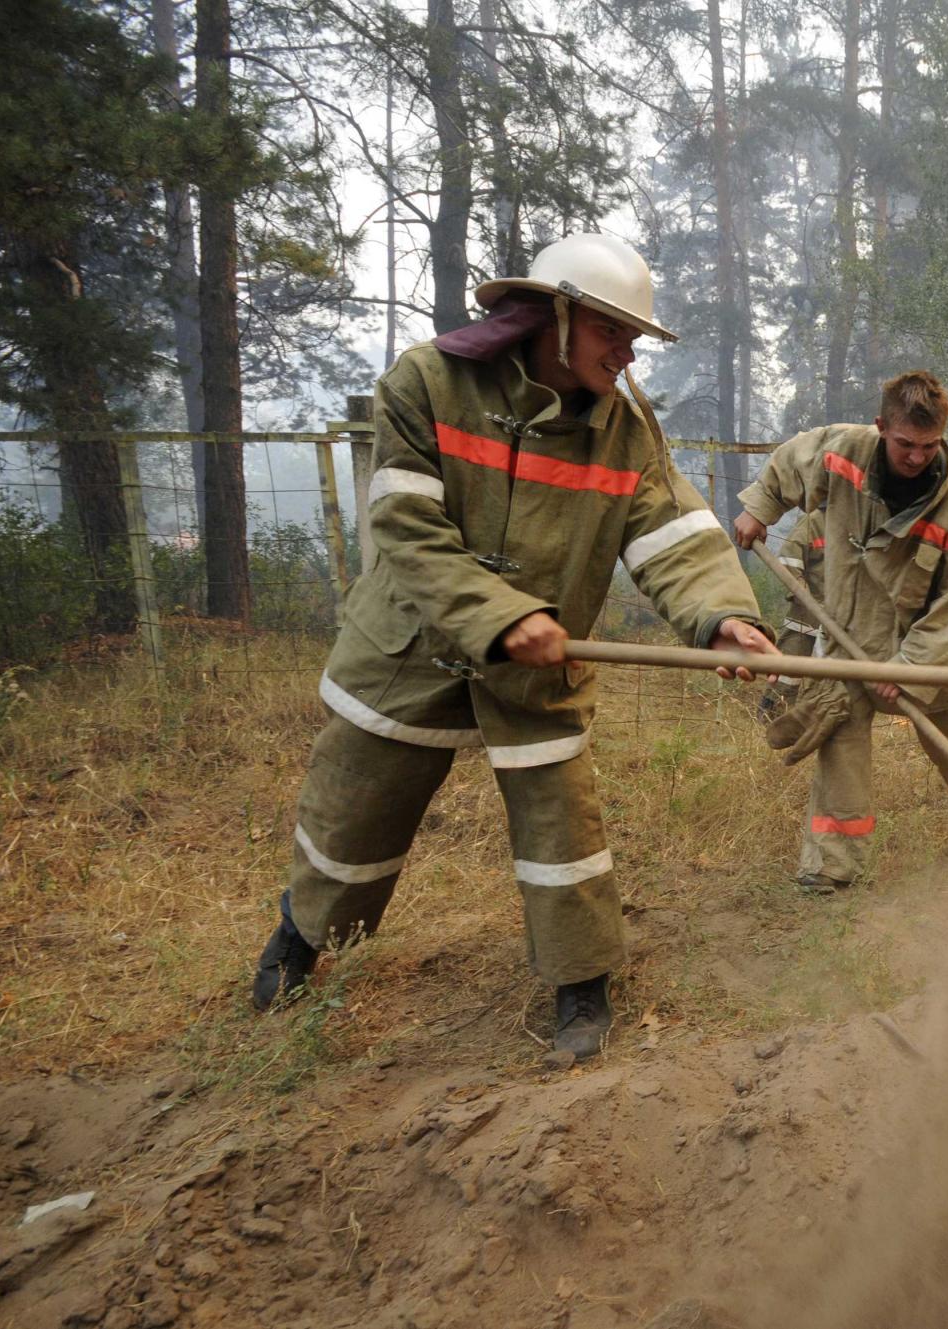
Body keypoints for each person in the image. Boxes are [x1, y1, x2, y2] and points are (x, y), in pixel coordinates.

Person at [249, 233, 776, 1059]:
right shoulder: (426, 383)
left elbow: (672, 533)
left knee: (563, 827)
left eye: (633, 336)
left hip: (540, 672)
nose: (627, 352)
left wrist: (722, 618)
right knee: (352, 810)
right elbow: (405, 525)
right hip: (408, 647)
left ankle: (581, 981)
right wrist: (498, 614)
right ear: (552, 316)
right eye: (611, 330)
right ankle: (301, 936)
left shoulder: (625, 429)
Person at [731, 371, 948, 892]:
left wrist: (908, 669)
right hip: (849, 636)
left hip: (931, 651)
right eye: (905, 444)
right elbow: (792, 461)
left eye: (929, 445)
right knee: (840, 741)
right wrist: (760, 509)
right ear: (881, 427)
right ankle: (831, 867)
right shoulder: (843, 450)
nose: (916, 457)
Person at [756, 508, 826, 722]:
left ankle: (816, 722)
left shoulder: (860, 520)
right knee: (787, 671)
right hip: (806, 617)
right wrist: (804, 595)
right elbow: (788, 559)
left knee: (831, 679)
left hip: (843, 622)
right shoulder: (814, 521)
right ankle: (771, 719)